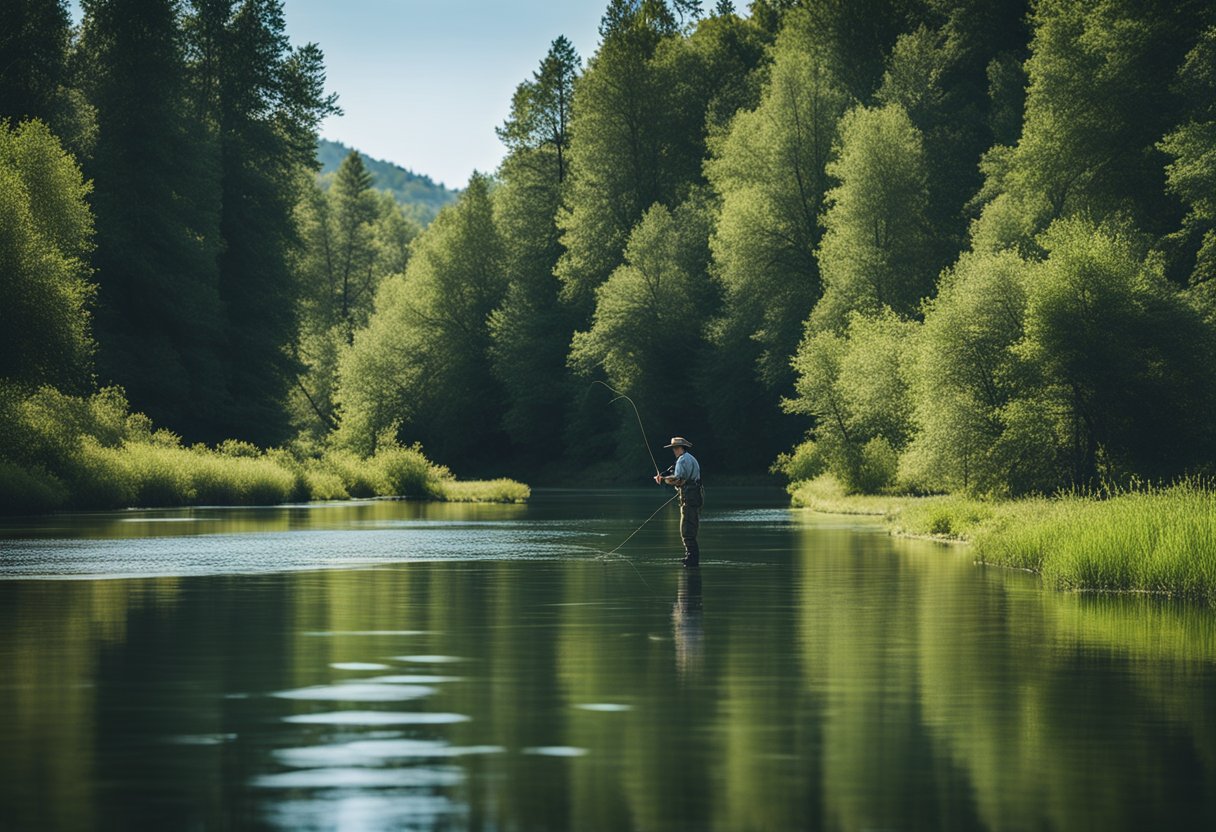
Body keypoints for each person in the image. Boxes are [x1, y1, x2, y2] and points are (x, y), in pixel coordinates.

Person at [654, 437, 703, 567]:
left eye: (675, 448)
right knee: (690, 527)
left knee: (687, 529)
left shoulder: (682, 460)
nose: (674, 451)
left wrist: (663, 479)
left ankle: (691, 559)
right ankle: (691, 557)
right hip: (694, 497)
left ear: (680, 448)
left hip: (689, 498)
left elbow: (679, 480)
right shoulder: (690, 458)